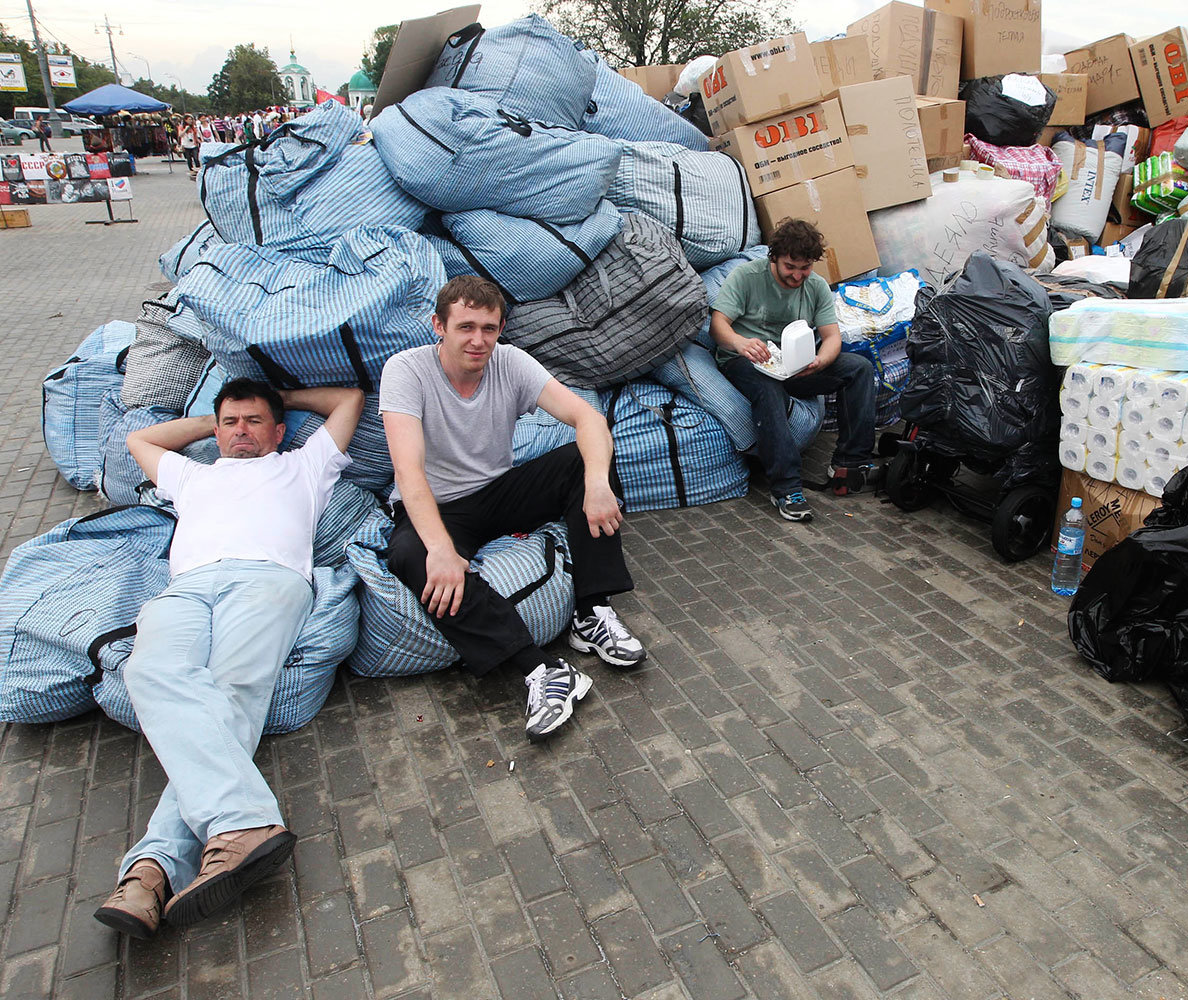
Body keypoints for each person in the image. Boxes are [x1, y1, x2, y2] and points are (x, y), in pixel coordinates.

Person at [92, 380, 364, 938]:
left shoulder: (304, 466)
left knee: (233, 689)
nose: (242, 431)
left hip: (268, 579)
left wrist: (282, 395)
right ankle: (241, 825)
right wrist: (214, 422)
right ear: (216, 432)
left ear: (279, 431)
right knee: (147, 671)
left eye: (255, 422)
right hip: (187, 588)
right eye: (232, 423)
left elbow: (349, 401)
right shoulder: (195, 474)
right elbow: (139, 439)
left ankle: (151, 870)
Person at [381, 275, 646, 741]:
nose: (478, 340)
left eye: (489, 327)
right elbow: (409, 472)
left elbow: (588, 417)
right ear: (438, 326)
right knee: (411, 557)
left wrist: (598, 484)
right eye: (465, 327)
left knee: (585, 459)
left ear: (501, 328)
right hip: (438, 506)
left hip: (497, 492)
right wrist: (441, 549)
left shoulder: (512, 363)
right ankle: (543, 669)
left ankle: (590, 611)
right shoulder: (406, 371)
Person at [710, 218, 877, 521]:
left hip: (797, 364)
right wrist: (740, 342)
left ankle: (849, 462)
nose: (798, 276)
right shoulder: (746, 277)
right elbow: (718, 325)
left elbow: (831, 337)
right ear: (773, 257)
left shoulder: (815, 286)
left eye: (805, 268)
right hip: (747, 362)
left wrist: (820, 361)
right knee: (768, 389)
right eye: (790, 267)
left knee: (860, 369)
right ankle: (786, 487)